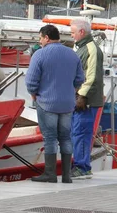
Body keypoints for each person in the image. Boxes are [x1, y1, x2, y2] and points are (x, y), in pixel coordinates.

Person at [25, 25, 85, 183]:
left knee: (50, 138)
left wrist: (34, 96)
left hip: (46, 103)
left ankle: (50, 174)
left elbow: (31, 82)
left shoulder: (40, 55)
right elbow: (80, 79)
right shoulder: (73, 55)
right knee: (66, 138)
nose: (40, 41)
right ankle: (66, 175)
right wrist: (71, 92)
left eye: (40, 38)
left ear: (46, 37)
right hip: (67, 103)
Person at [69, 19, 104, 180]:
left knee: (81, 133)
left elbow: (92, 76)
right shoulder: (83, 48)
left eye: (73, 32)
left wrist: (82, 96)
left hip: (86, 102)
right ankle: (79, 165)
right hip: (81, 100)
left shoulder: (91, 50)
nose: (71, 35)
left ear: (81, 32)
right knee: (77, 133)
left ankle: (82, 167)